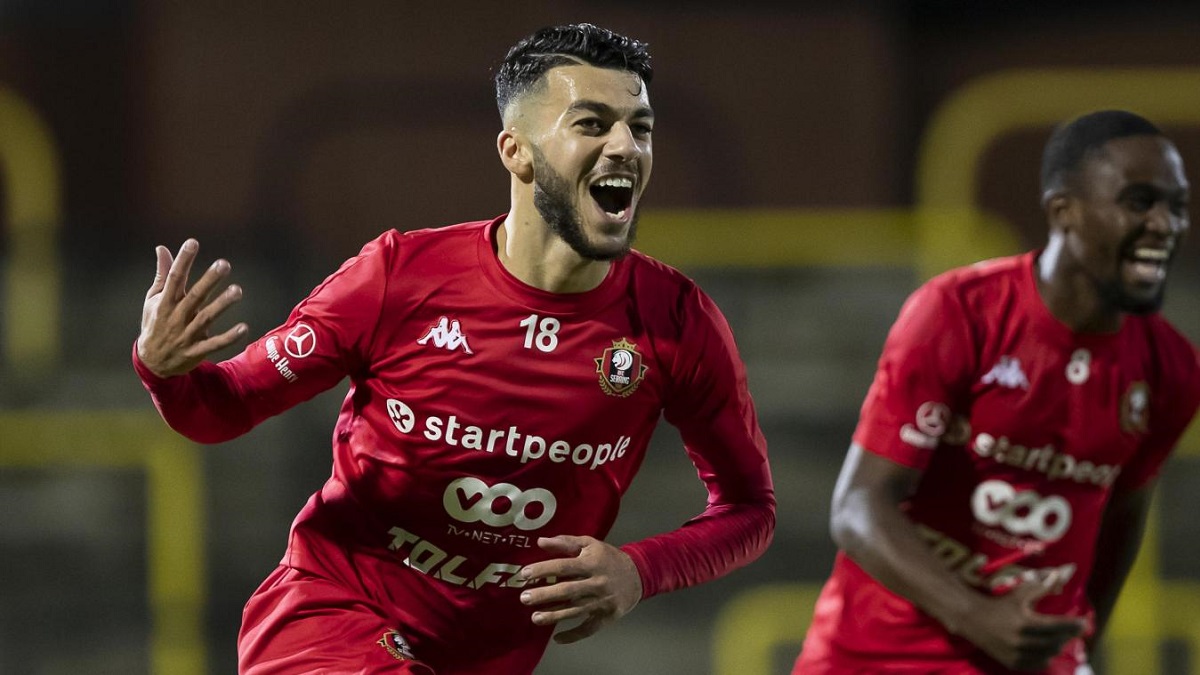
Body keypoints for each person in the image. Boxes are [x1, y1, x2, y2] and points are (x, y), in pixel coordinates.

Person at [133, 23, 774, 675]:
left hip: (482, 658)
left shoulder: (677, 323)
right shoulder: (398, 278)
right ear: (516, 152)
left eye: (640, 128)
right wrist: (164, 371)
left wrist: (639, 570)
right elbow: (218, 411)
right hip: (331, 616)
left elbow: (750, 509)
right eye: (592, 124)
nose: (625, 147)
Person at [794, 109, 1200, 674]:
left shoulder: (1171, 368)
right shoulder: (960, 314)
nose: (1165, 224)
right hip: (878, 657)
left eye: (1177, 206)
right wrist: (980, 618)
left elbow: (1122, 519)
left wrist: (1077, 648)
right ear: (1063, 212)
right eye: (1139, 202)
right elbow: (858, 507)